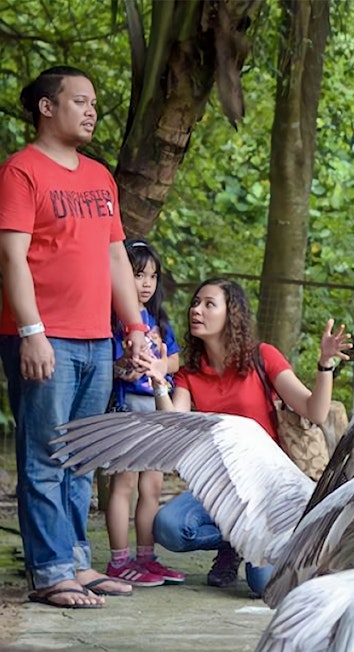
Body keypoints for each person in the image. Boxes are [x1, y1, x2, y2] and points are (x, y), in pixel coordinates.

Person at [0, 66, 151, 608]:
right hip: (46, 339)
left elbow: (116, 257)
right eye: (79, 101)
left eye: (93, 103)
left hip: (95, 339)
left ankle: (78, 564)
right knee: (43, 457)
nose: (90, 110)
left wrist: (133, 328)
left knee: (80, 460)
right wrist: (31, 333)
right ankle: (51, 570)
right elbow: (11, 256)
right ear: (47, 107)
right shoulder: (21, 171)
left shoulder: (99, 176)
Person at [144, 277, 350, 596]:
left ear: (232, 314)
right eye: (195, 303)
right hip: (219, 485)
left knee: (265, 584)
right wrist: (159, 382)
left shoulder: (262, 357)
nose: (196, 310)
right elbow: (175, 426)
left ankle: (273, 546)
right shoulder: (190, 372)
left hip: (268, 489)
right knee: (169, 528)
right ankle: (234, 542)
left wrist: (325, 364)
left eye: (209, 304)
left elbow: (315, 410)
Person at [104, 238, 186, 587]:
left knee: (152, 485)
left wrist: (157, 363)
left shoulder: (158, 321)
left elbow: (176, 359)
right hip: (126, 409)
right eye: (138, 274)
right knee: (123, 484)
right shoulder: (113, 320)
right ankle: (118, 561)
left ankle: (146, 557)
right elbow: (107, 365)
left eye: (152, 276)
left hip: (156, 407)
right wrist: (125, 365)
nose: (147, 283)